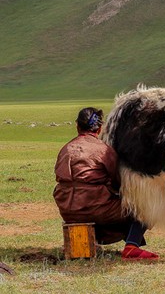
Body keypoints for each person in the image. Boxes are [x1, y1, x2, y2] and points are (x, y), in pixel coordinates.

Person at [53, 107, 158, 260]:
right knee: (144, 206)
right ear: (100, 128)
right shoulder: (104, 150)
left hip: (68, 210)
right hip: (97, 209)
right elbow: (118, 182)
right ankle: (132, 246)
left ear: (77, 126)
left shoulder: (65, 149)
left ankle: (92, 241)